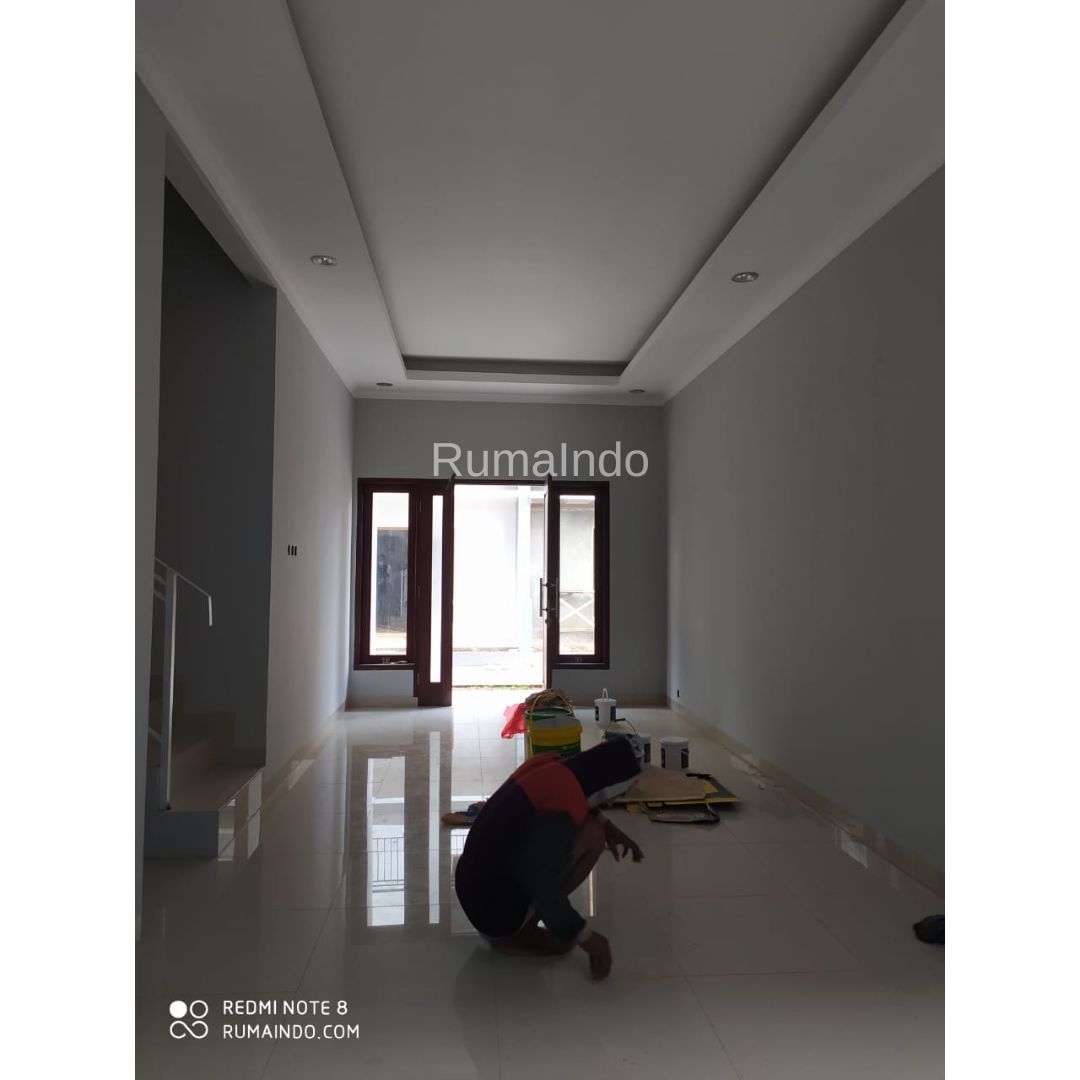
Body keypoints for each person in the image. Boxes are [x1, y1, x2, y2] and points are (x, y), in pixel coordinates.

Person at [453, 739, 644, 979]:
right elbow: (535, 873)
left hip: (472, 885)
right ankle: (518, 933)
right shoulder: (565, 804)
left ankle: (524, 920)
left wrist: (610, 827)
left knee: (592, 826)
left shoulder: (550, 763)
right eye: (617, 794)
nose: (613, 802)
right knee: (592, 837)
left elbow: (582, 791)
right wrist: (582, 934)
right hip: (493, 912)